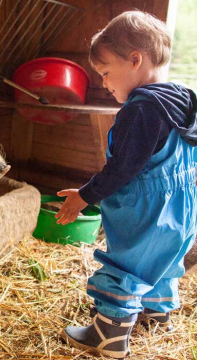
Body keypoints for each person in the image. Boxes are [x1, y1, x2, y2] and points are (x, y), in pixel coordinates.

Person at [56, 10, 197, 359]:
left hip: (147, 208)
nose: (104, 83)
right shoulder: (185, 98)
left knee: (128, 264)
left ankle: (109, 334)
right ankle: (156, 315)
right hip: (183, 206)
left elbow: (122, 170)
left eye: (105, 73)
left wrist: (83, 196)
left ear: (135, 60)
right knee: (163, 261)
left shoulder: (141, 109)